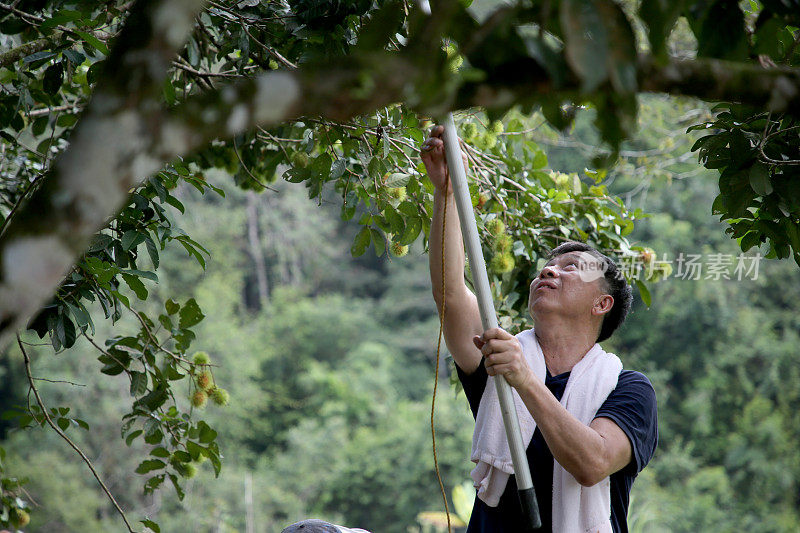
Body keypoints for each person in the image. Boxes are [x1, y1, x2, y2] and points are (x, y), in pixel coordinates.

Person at [420, 126, 657, 533]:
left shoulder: (630, 390)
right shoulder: (500, 353)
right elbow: (452, 294)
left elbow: (592, 463)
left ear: (602, 304)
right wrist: (446, 193)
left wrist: (525, 381)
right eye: (548, 265)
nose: (549, 270)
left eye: (572, 268)